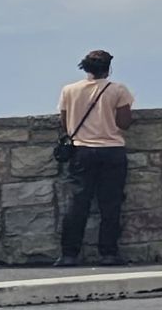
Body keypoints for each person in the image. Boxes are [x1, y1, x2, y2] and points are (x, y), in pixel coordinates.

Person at [59, 50, 138, 265]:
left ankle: (69, 254)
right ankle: (108, 253)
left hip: (81, 151)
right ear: (108, 68)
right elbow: (124, 123)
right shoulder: (118, 90)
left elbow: (66, 124)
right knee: (110, 204)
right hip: (112, 150)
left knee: (77, 204)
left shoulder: (69, 90)